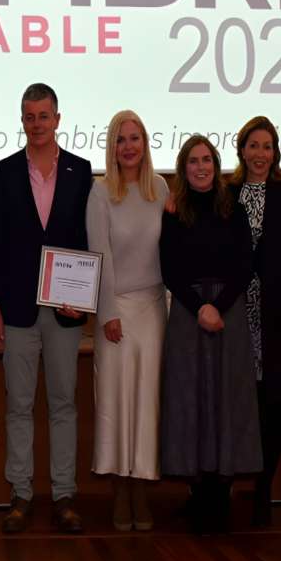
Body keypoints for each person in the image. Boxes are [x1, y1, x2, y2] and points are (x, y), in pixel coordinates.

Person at [0, 83, 93, 534]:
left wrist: (84, 298)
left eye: (43, 116)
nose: (36, 124)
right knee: (20, 405)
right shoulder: (6, 170)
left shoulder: (82, 171)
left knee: (64, 403)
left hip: (66, 309)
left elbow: (87, 241)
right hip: (17, 307)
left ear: (57, 118)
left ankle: (65, 495)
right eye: (29, 116)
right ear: (22, 120)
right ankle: (21, 494)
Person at [159, 135, 258, 534]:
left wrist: (220, 305)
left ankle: (222, 491)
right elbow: (169, 267)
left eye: (207, 160)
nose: (201, 167)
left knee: (226, 400)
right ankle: (197, 492)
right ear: (184, 169)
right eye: (193, 161)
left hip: (228, 313)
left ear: (217, 166)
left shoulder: (233, 208)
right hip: (188, 313)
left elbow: (245, 263)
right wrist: (198, 306)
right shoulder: (173, 210)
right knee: (190, 401)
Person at [85, 110, 168, 531]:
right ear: (112, 147)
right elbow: (100, 257)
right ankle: (120, 492)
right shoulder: (101, 194)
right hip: (115, 312)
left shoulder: (161, 188)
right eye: (121, 139)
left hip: (153, 310)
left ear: (145, 143)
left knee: (146, 403)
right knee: (115, 404)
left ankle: (142, 493)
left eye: (135, 137)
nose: (129, 146)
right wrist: (108, 313)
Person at [229, 116, 281, 527]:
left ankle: (263, 490)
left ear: (275, 153)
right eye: (253, 145)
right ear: (242, 150)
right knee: (240, 404)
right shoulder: (227, 193)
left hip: (272, 317)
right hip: (237, 313)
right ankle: (238, 482)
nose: (260, 154)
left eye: (267, 146)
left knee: (271, 406)